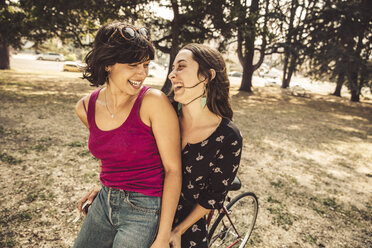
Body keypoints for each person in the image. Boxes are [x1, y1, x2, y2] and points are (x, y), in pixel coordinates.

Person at [73, 21, 182, 248]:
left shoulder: (154, 103)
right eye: (133, 65)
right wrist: (105, 187)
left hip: (144, 208)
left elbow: (173, 171)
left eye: (146, 65)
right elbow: (113, 156)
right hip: (104, 202)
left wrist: (162, 238)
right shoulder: (85, 108)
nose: (142, 74)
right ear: (108, 65)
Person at [167, 43, 243, 248]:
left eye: (181, 67)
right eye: (173, 68)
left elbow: (213, 196)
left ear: (207, 76)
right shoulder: (164, 112)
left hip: (186, 225)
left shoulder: (228, 137)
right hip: (144, 212)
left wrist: (177, 231)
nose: (171, 75)